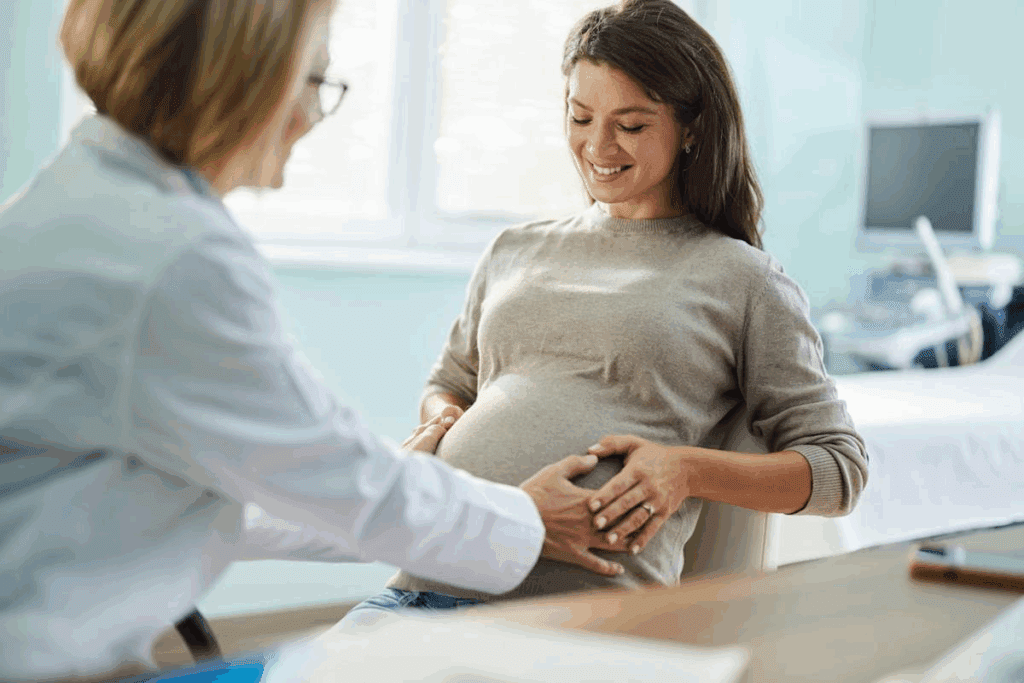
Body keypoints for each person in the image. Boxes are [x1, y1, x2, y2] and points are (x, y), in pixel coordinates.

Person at [0, 1, 625, 680]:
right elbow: (346, 487)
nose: (309, 117)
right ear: (240, 78)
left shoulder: (74, 206)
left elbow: (253, 490)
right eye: (312, 80)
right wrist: (526, 518)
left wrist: (392, 477)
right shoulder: (173, 258)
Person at [340, 0, 869, 626]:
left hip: (578, 615)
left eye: (632, 125)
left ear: (692, 127)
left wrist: (685, 470)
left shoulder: (744, 280)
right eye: (580, 116)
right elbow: (450, 383)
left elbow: (840, 470)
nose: (598, 145)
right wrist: (442, 425)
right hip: (424, 578)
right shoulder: (514, 250)